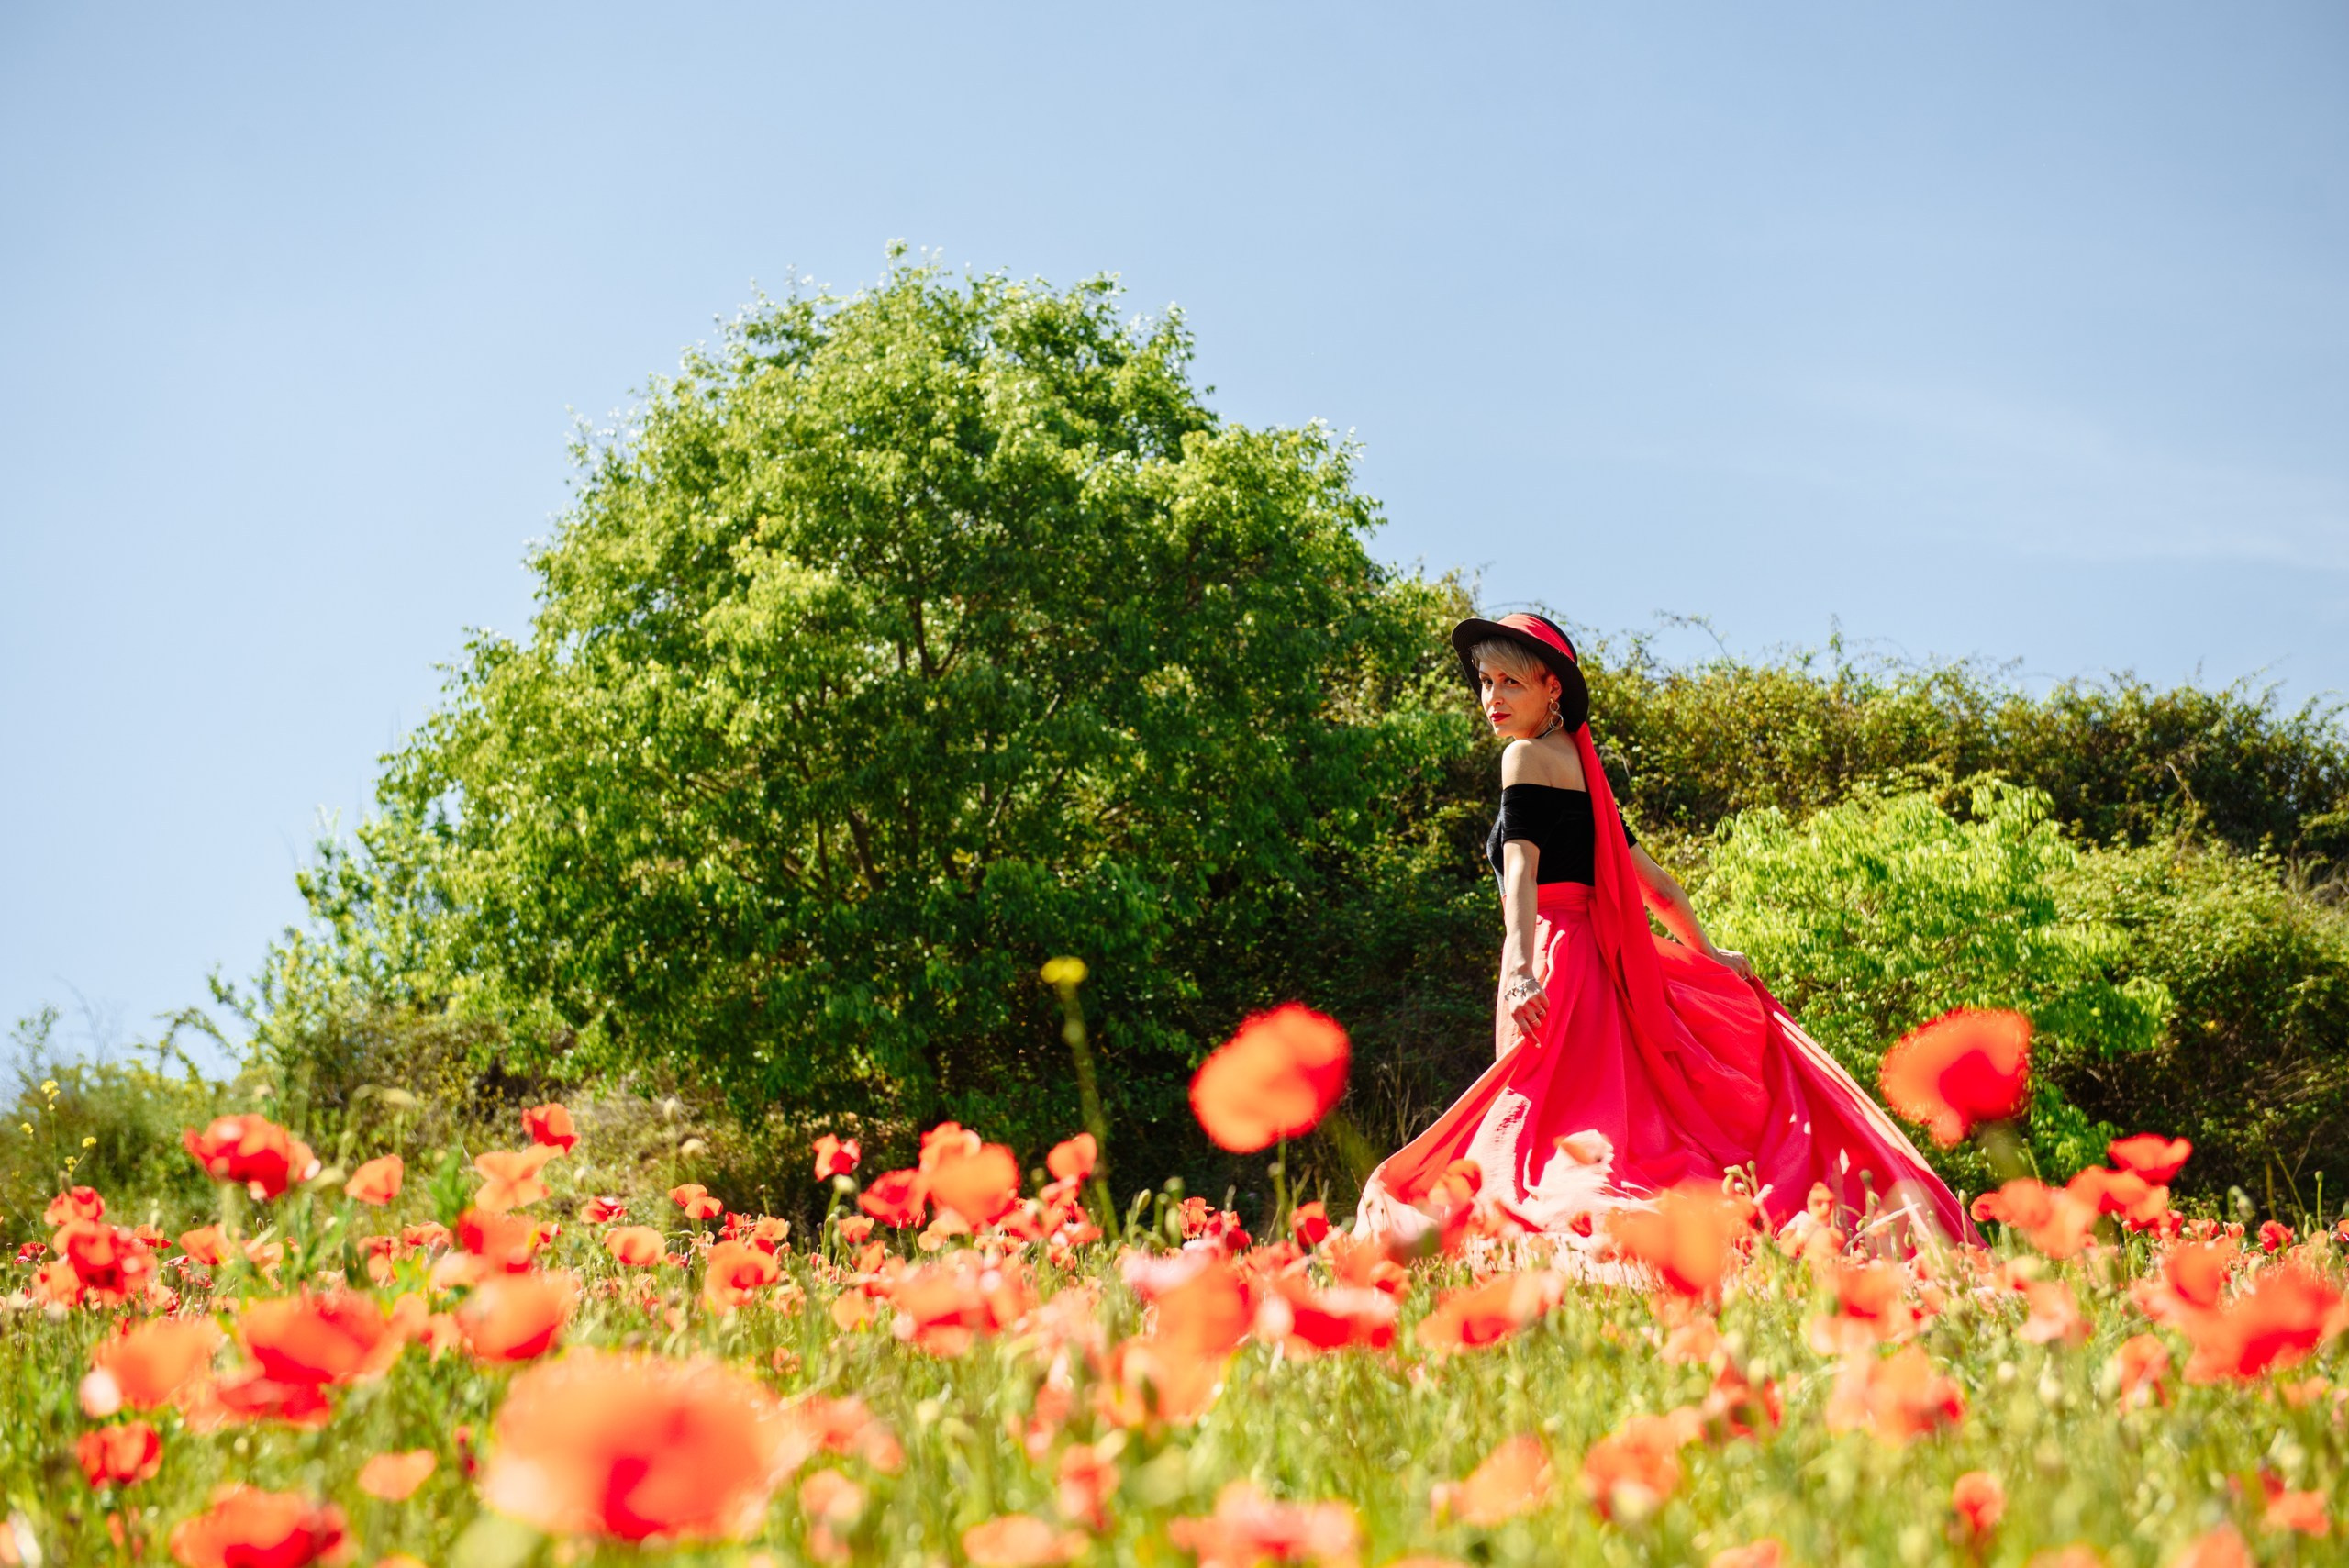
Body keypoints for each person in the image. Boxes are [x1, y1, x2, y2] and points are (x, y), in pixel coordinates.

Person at [1353, 612, 1970, 1249]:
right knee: (1597, 1123)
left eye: (1511, 682)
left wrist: (1519, 968)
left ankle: (1561, 1230)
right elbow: (1660, 887)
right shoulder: (1584, 773)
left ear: (1552, 688)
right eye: (1485, 682)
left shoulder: (1524, 758)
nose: (1493, 700)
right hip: (1606, 967)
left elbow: (1521, 874)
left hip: (1555, 963)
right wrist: (1710, 953)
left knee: (1536, 1131)